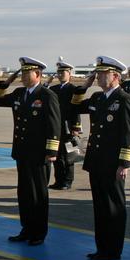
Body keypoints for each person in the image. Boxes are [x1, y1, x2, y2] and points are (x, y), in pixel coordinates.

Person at [72, 57, 130, 260]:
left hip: (113, 163)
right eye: (97, 73)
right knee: (100, 207)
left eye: (103, 74)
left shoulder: (124, 99)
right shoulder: (97, 98)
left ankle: (113, 250)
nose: (99, 77)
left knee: (113, 207)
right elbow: (73, 106)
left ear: (116, 76)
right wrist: (85, 86)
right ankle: (102, 248)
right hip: (96, 161)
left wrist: (124, 164)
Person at [0, 57, 60, 245]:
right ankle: (26, 228)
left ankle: (38, 232)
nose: (22, 76)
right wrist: (5, 83)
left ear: (37, 74)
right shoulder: (19, 93)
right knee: (24, 193)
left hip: (39, 154)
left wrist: (52, 151)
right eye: (21, 73)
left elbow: (54, 124)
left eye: (25, 73)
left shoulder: (46, 95)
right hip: (22, 151)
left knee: (38, 194)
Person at [48, 57, 82, 190]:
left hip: (69, 128)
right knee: (56, 155)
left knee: (69, 155)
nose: (60, 74)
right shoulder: (53, 89)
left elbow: (76, 109)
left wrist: (76, 127)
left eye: (63, 72)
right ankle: (58, 180)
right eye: (59, 72)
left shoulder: (74, 89)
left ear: (69, 74)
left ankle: (67, 181)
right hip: (56, 127)